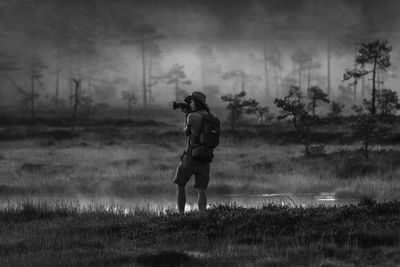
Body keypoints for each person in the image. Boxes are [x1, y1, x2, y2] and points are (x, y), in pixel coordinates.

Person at [173, 91, 213, 214]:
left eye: (191, 101)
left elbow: (186, 132)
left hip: (190, 156)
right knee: (202, 190)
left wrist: (186, 116)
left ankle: (181, 215)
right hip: (206, 158)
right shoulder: (211, 117)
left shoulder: (192, 116)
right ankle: (202, 216)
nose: (190, 103)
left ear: (196, 103)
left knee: (180, 184)